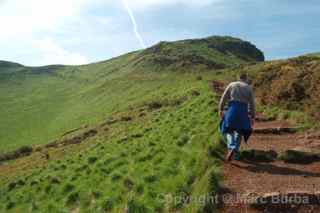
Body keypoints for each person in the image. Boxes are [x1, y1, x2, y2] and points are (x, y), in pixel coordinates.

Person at [219, 73, 255, 161]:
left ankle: (231, 145)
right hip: (243, 111)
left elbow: (224, 98)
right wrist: (252, 116)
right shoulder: (249, 88)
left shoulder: (232, 84)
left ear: (238, 78)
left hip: (232, 109)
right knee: (240, 131)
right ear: (246, 79)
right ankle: (236, 151)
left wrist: (220, 109)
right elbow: (252, 103)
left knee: (227, 128)